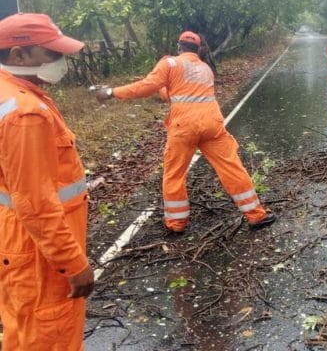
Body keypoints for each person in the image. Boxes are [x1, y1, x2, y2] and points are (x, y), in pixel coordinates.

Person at [94, 31, 276, 232]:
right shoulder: (206, 68)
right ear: (198, 49)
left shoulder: (170, 63)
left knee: (174, 173)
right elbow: (178, 93)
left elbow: (146, 87)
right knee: (232, 167)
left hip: (184, 127)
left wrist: (112, 92)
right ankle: (257, 215)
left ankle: (176, 223)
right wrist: (161, 87)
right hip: (212, 124)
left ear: (178, 46)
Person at [0, 13, 95, 350]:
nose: (61, 62)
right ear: (18, 56)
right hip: (41, 259)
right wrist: (73, 263)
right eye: (51, 54)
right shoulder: (25, 113)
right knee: (50, 335)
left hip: (18, 245)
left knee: (23, 333)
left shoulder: (9, 92)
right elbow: (36, 203)